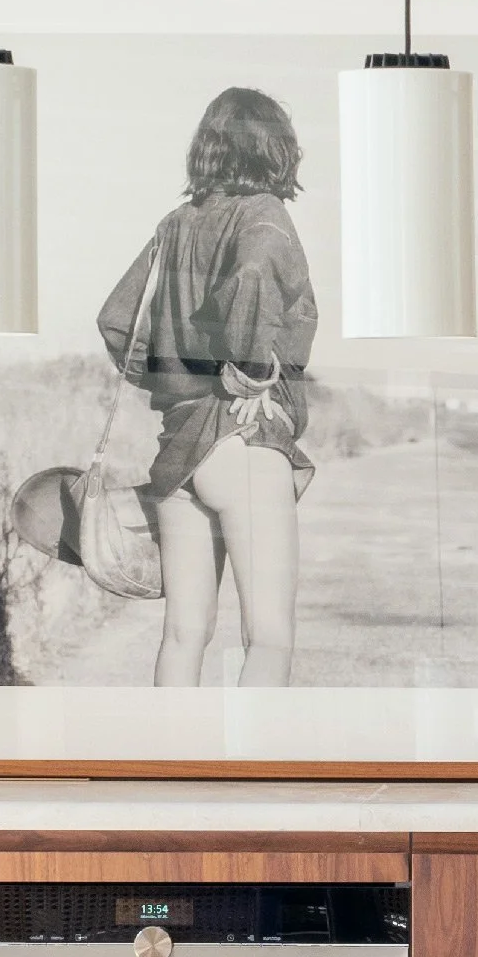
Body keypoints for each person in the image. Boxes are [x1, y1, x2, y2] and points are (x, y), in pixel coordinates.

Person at [96, 86, 318, 687]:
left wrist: (172, 379)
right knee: (268, 638)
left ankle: (172, 772)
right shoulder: (264, 215)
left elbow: (115, 320)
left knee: (182, 637)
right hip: (242, 444)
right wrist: (245, 373)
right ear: (276, 149)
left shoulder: (174, 225)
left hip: (178, 449)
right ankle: (245, 777)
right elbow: (251, 279)